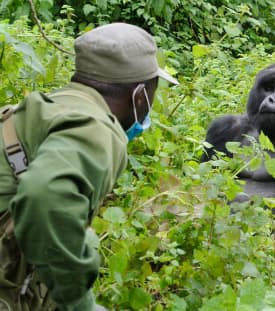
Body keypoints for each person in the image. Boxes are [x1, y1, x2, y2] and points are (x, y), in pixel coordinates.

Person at [0, 23, 178, 311]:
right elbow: (44, 194)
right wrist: (77, 302)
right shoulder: (97, 127)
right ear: (140, 95)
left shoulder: (47, 108)